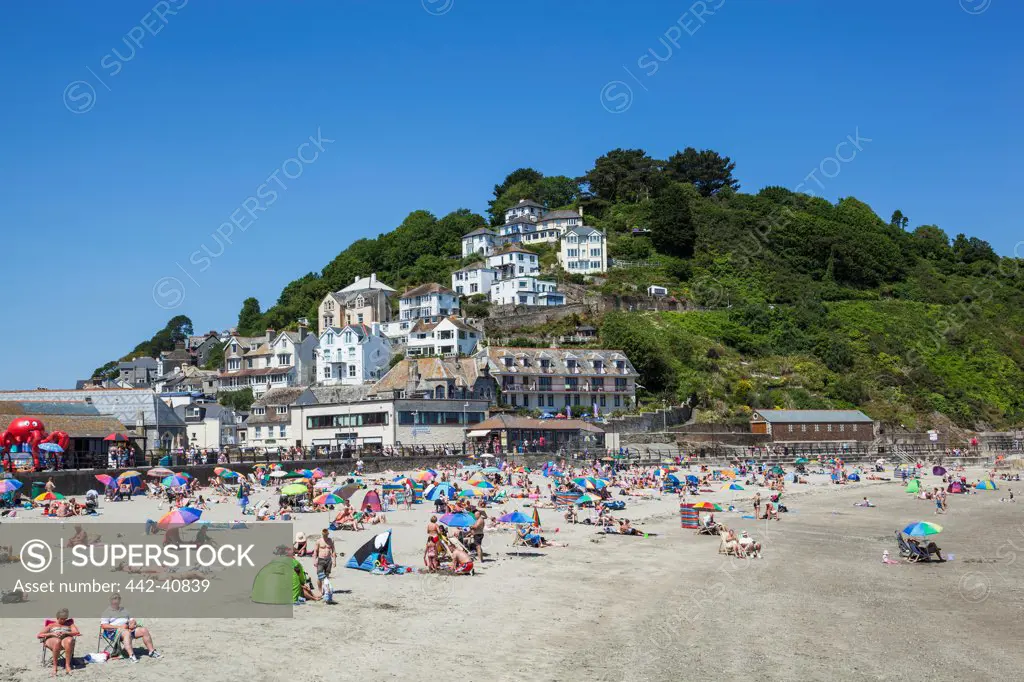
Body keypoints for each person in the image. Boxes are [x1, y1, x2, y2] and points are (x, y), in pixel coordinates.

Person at [100, 593, 161, 662]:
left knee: (144, 630)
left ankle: (152, 651)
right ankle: (131, 655)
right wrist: (119, 627)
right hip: (113, 632)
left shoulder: (124, 610)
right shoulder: (106, 612)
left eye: (118, 598)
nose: (116, 600)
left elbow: (132, 619)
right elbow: (104, 626)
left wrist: (132, 623)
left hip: (127, 628)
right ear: (111, 601)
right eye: (114, 598)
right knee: (126, 633)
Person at [38, 607, 79, 676]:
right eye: (61, 619)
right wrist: (52, 633)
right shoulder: (51, 625)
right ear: (57, 617)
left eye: (64, 619)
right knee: (57, 641)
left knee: (69, 640)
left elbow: (76, 632)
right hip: (52, 639)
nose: (63, 620)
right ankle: (55, 667)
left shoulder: (70, 624)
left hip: (64, 639)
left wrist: (66, 633)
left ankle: (67, 666)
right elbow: (40, 634)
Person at [312, 529, 336, 593]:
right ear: (322, 534)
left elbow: (333, 551)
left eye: (326, 535)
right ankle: (320, 591)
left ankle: (326, 589)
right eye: (324, 535)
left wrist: (334, 561)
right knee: (320, 576)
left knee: (327, 576)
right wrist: (315, 560)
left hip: (328, 560)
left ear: (328, 534)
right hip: (321, 559)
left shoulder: (331, 541)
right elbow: (315, 551)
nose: (325, 536)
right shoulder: (319, 541)